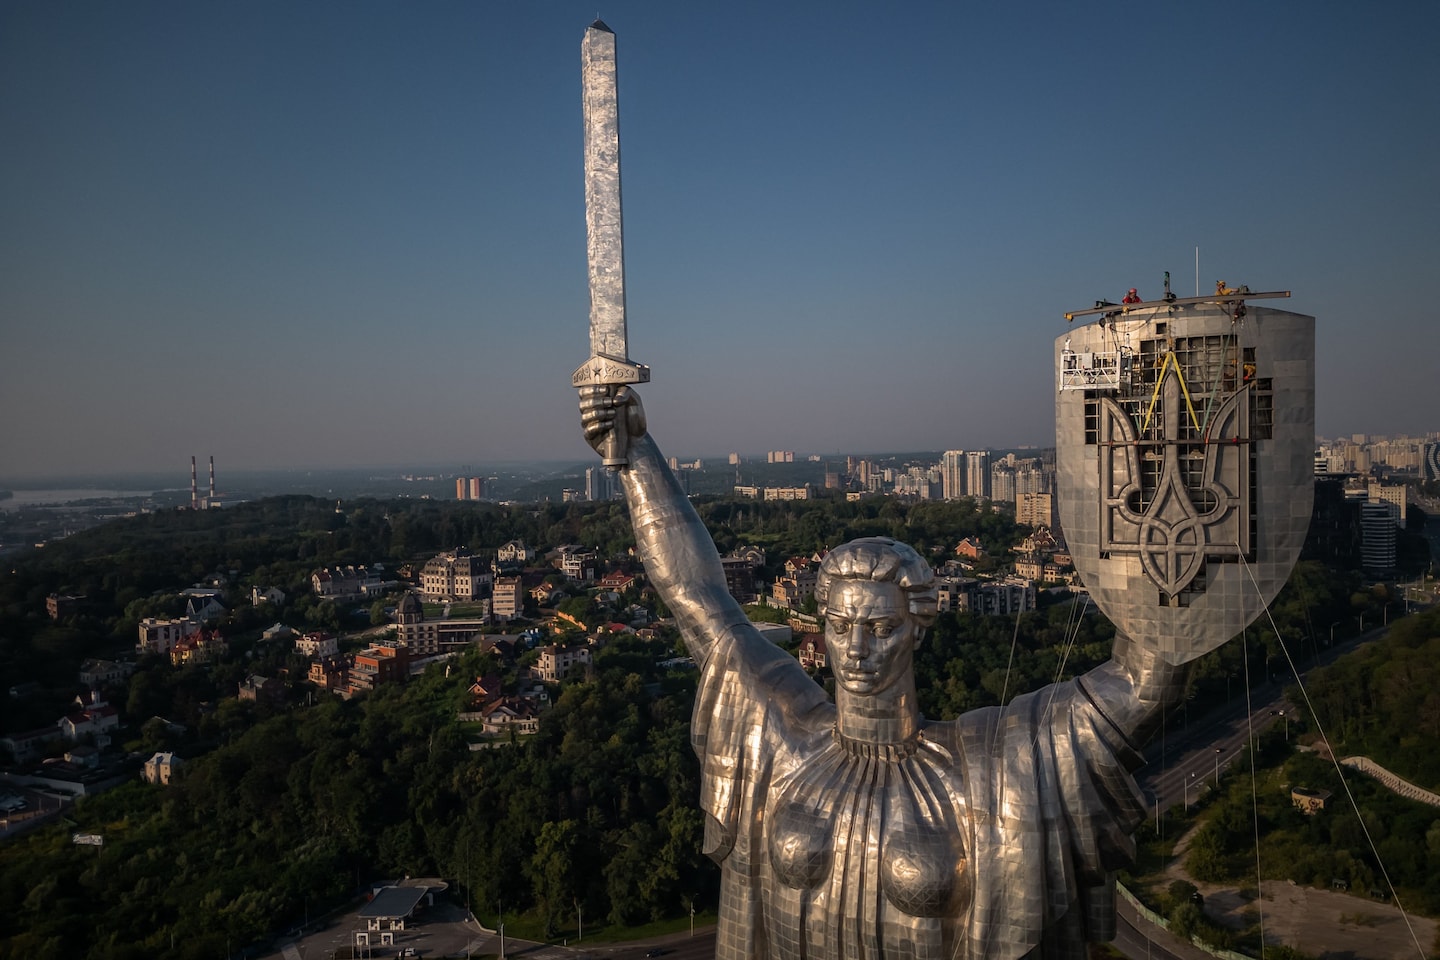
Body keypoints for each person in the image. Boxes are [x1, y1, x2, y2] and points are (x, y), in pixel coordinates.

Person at [579, 386, 1186, 960]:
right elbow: (695, 592)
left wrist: (1156, 485)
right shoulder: (780, 738)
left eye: (880, 629)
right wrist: (634, 452)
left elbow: (1144, 684)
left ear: (917, 629)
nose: (855, 651)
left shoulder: (990, 768)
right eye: (840, 628)